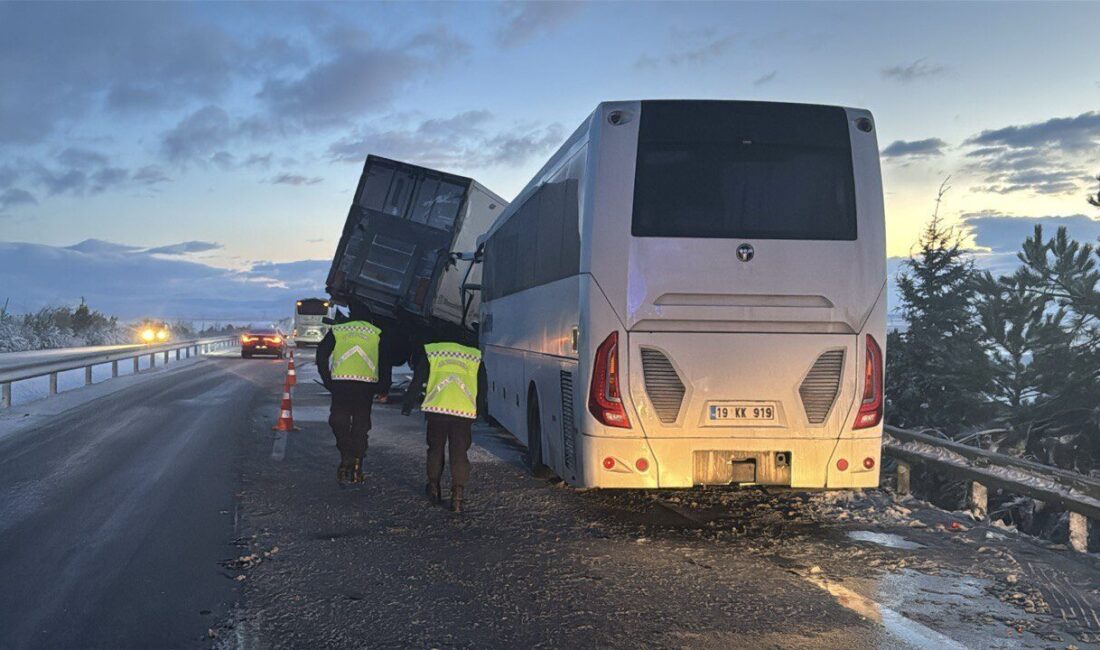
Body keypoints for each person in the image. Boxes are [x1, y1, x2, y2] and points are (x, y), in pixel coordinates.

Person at [403, 340, 481, 512]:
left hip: (436, 410)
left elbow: (418, 379)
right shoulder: (474, 356)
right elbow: (482, 387)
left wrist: (407, 405)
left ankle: (433, 488)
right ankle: (457, 496)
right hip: (463, 412)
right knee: (459, 452)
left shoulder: (433, 353)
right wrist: (479, 411)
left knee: (435, 449)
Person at [316, 304, 387, 486]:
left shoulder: (339, 330)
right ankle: (357, 462)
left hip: (341, 385)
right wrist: (383, 387)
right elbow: (385, 361)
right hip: (366, 387)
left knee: (338, 421)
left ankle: (347, 457)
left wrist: (327, 379)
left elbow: (321, 354)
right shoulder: (376, 332)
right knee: (361, 426)